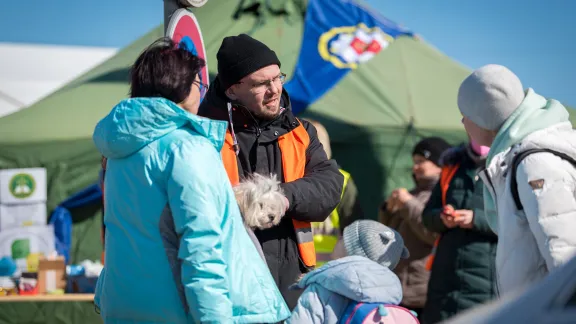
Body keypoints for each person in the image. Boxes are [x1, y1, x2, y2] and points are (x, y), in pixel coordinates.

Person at [93, 38, 290, 324]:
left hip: (129, 307)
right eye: (200, 84)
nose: (201, 92)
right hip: (182, 311)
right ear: (182, 88)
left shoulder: (119, 151)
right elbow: (202, 248)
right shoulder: (186, 148)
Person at [198, 34, 344, 309]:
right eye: (262, 83)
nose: (275, 89)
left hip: (293, 287)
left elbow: (330, 184)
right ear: (231, 90)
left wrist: (282, 197)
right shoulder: (204, 135)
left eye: (278, 78)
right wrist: (237, 202)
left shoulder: (301, 132)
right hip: (229, 288)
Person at [457, 64, 576, 296]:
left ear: (484, 117)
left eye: (465, 115)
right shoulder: (521, 157)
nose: (463, 123)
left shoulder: (535, 163)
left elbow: (562, 249)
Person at [421, 140, 498, 324]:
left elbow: (519, 220)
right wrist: (442, 217)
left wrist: (476, 219)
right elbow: (427, 216)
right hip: (445, 277)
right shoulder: (452, 166)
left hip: (487, 279)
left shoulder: (507, 165)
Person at [379, 137, 451, 318]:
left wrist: (408, 203)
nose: (415, 167)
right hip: (397, 287)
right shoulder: (412, 194)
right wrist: (388, 209)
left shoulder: (445, 196)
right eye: (414, 162)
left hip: (422, 290)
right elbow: (384, 232)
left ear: (438, 164)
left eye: (421, 162)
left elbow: (432, 233)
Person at [287, 220, 410, 324]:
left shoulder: (321, 289)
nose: (338, 238)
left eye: (343, 238)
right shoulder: (390, 296)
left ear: (350, 252)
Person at [302, 119, 364, 266]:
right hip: (295, 273)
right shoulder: (286, 177)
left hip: (330, 273)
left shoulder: (342, 181)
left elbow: (353, 229)